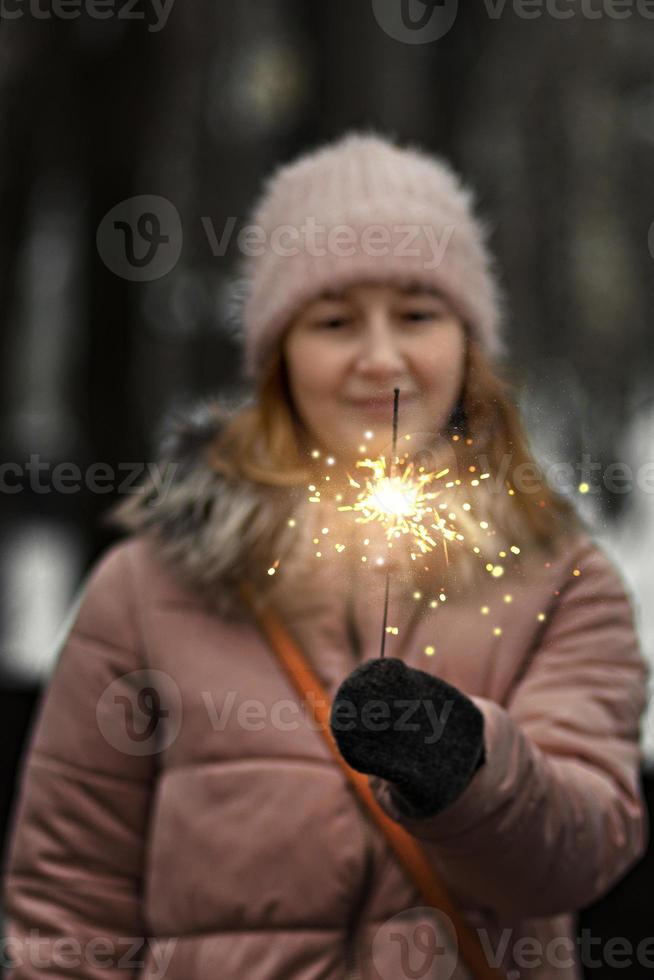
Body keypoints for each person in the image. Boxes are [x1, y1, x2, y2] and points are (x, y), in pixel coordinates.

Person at [2, 131, 649, 980]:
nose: (379, 358)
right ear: (277, 354)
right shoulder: (147, 588)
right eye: (335, 320)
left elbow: (582, 849)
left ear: (468, 342)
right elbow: (67, 902)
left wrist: (465, 771)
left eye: (417, 314)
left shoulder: (560, 583)